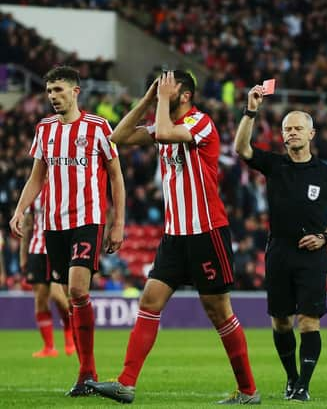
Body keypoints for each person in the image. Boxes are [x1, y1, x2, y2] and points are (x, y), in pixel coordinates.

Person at [85, 71, 260, 405]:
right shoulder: (164, 117)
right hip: (175, 236)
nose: (162, 89)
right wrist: (150, 99)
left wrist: (161, 103)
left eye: (169, 86)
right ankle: (126, 383)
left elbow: (164, 133)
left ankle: (248, 391)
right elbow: (118, 136)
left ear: (185, 95)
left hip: (207, 232)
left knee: (219, 312)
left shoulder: (201, 123)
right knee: (149, 302)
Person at [9, 65, 125, 396]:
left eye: (58, 90)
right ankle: (86, 370)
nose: (52, 97)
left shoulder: (99, 126)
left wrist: (117, 223)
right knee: (72, 297)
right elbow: (37, 176)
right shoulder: (44, 129)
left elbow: (115, 175)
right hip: (54, 225)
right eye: (49, 92)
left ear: (75, 92)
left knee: (76, 290)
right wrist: (20, 209)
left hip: (88, 219)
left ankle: (86, 371)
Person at [234, 85, 327, 401]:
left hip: (312, 254)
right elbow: (242, 148)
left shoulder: (326, 173)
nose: (292, 133)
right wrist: (251, 110)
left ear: (311, 134)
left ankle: (304, 386)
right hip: (279, 252)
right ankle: (291, 377)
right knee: (281, 320)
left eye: (299, 128)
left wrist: (325, 236)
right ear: (283, 135)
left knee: (309, 321)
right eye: (287, 129)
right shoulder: (274, 165)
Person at [21, 187, 75, 357]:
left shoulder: (64, 188)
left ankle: (69, 334)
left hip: (56, 250)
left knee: (58, 296)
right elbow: (28, 225)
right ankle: (49, 347)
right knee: (40, 299)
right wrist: (23, 255)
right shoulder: (34, 193)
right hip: (36, 251)